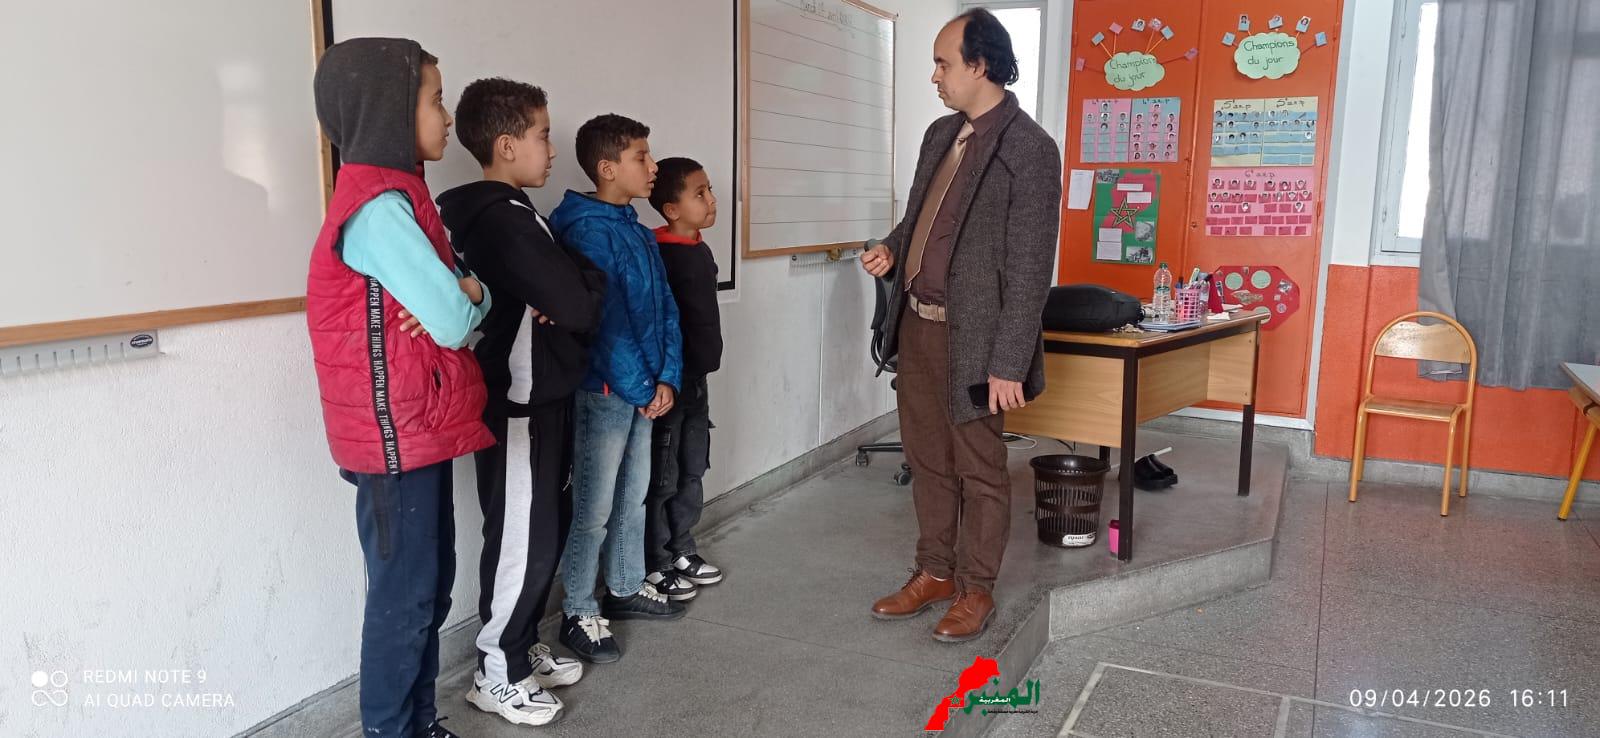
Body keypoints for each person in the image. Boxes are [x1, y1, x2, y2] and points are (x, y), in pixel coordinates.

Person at [306, 38, 494, 738]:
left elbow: (470, 298)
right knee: (405, 600)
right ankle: (391, 730)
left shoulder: (404, 197)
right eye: (435, 100)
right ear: (389, 109)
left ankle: (418, 724)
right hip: (394, 438)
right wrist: (468, 296)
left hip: (416, 429)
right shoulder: (379, 208)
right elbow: (454, 318)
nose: (446, 117)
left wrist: (469, 292)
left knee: (427, 590)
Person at [858, 9, 1060, 642]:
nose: (936, 76)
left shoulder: (1030, 150)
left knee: (981, 467)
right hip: (917, 326)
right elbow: (920, 218)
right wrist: (893, 248)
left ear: (980, 65)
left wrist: (1008, 363)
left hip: (978, 340)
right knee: (927, 459)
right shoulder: (940, 134)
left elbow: (1030, 268)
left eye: (944, 64)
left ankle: (976, 588)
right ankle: (934, 572)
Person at [438, 77, 607, 727]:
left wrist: (574, 285)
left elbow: (574, 292)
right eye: (542, 135)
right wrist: (574, 288)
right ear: (506, 145)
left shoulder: (514, 212)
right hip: (518, 400)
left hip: (542, 394)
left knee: (541, 529)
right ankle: (497, 672)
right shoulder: (501, 220)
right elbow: (576, 305)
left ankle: (521, 640)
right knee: (521, 538)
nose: (552, 149)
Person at [549, 114, 686, 664]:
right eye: (641, 157)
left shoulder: (632, 225)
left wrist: (667, 377)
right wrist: (642, 386)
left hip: (643, 388)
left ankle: (626, 586)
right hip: (606, 390)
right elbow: (608, 325)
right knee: (595, 506)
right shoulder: (586, 229)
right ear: (608, 169)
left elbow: (665, 307)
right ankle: (579, 608)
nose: (653, 167)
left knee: (634, 495)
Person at [641, 157, 726, 602]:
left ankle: (682, 549)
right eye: (700, 193)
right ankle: (655, 561)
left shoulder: (700, 249)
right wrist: (665, 377)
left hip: (697, 381)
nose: (712, 200)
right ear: (671, 209)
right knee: (664, 475)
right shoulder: (659, 253)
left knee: (693, 468)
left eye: (710, 190)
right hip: (670, 384)